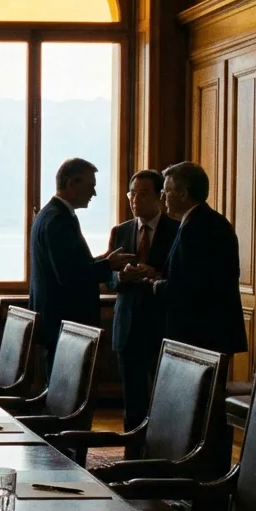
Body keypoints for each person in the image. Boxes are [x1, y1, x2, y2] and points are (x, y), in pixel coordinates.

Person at [29, 158, 133, 377]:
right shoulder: (59, 220)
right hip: (65, 324)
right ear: (71, 183)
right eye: (90, 185)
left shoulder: (49, 215)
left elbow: (68, 264)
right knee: (65, 391)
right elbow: (68, 276)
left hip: (56, 321)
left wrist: (103, 260)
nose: (93, 193)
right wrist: (108, 265)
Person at [107, 170, 179, 436]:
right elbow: (108, 278)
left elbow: (183, 277)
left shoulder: (176, 230)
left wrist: (156, 274)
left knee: (166, 401)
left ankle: (161, 453)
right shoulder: (121, 231)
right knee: (133, 403)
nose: (135, 200)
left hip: (163, 325)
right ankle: (133, 453)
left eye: (143, 194)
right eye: (132, 194)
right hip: (128, 326)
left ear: (160, 196)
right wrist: (120, 277)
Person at [151, 161, 247, 356]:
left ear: (183, 193)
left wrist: (155, 285)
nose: (162, 197)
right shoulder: (207, 220)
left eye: (167, 191)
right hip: (211, 331)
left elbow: (190, 287)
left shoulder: (195, 227)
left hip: (200, 334)